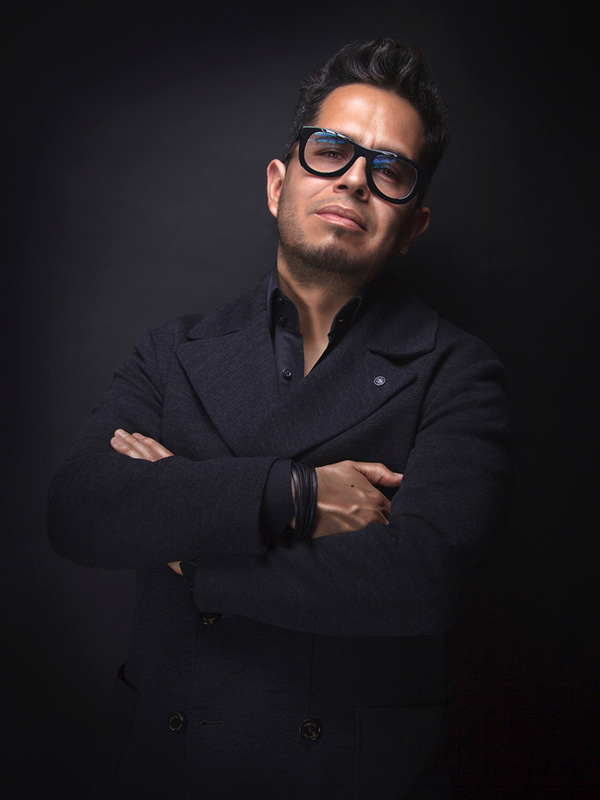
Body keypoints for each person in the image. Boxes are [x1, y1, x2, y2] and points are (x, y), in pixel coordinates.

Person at [48, 38, 511, 799]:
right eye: (330, 150)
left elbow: (419, 582)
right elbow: (80, 509)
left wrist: (190, 544)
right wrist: (297, 494)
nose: (355, 178)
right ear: (278, 183)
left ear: (412, 226)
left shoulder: (457, 372)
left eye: (389, 170)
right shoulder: (171, 352)